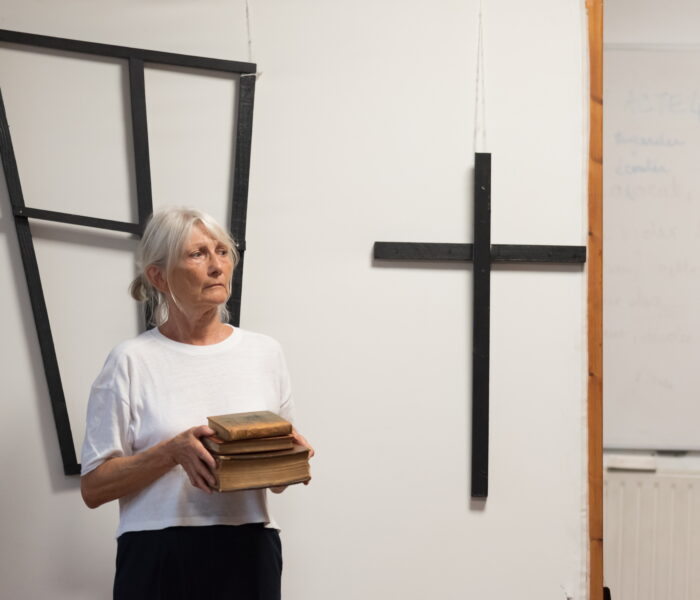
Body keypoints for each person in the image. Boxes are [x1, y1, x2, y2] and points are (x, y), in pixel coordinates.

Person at [80, 206, 313, 600]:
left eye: (222, 252)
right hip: (157, 552)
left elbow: (276, 485)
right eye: (197, 254)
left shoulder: (265, 353)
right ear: (159, 276)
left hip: (250, 548)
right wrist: (172, 452)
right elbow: (93, 488)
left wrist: (288, 461)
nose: (217, 266)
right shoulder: (130, 360)